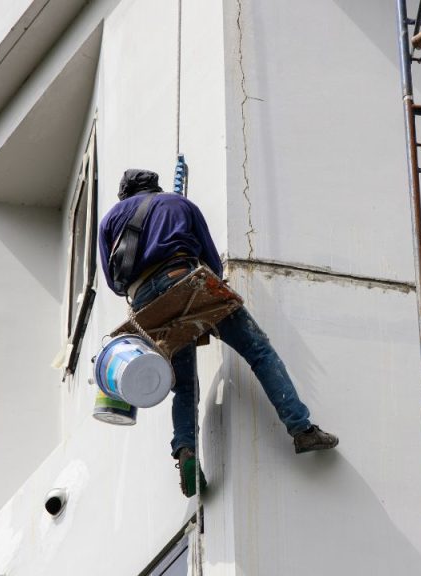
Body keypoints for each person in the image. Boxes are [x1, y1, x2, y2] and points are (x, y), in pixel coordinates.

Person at [99, 168, 338, 497]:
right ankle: (301, 428)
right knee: (258, 351)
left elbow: (114, 283)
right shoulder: (178, 203)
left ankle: (186, 450)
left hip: (147, 307)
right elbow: (211, 259)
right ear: (156, 186)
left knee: (183, 385)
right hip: (185, 279)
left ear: (124, 195)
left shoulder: (111, 220)